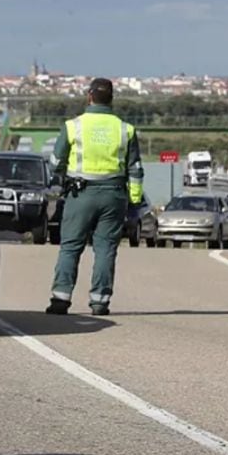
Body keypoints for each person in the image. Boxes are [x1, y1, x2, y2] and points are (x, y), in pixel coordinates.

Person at [46, 77, 143, 316]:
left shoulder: (73, 126)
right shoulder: (125, 129)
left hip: (80, 194)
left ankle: (61, 299)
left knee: (70, 246)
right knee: (106, 248)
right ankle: (100, 301)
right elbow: (135, 168)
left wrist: (60, 179)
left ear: (89, 97)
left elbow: (56, 161)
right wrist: (135, 200)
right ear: (111, 99)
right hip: (113, 195)